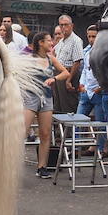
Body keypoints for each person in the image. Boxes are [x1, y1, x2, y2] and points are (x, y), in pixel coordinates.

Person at [21, 32, 69, 178]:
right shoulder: (28, 59)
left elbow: (65, 73)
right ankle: (12, 165)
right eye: (49, 41)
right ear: (40, 43)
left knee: (46, 133)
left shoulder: (51, 58)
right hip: (30, 98)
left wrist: (54, 78)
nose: (52, 43)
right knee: (21, 132)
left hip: (46, 98)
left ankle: (42, 167)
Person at [52, 14, 84, 114]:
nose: (63, 27)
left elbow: (77, 62)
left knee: (68, 105)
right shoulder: (61, 41)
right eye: (61, 25)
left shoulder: (76, 40)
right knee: (58, 105)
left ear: (72, 26)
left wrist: (69, 80)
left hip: (69, 73)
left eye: (66, 24)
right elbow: (54, 55)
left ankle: (68, 129)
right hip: (58, 73)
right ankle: (58, 129)